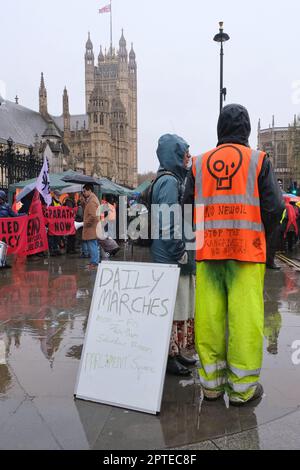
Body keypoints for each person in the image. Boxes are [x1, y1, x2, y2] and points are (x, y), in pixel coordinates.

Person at [185, 104, 285, 405]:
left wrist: (203, 230)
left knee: (209, 319)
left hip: (208, 251)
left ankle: (211, 387)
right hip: (246, 253)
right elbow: (275, 207)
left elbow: (186, 205)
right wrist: (262, 237)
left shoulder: (199, 163)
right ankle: (242, 391)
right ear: (246, 131)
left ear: (220, 130)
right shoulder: (258, 160)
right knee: (244, 320)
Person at [150, 134, 196, 377]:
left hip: (173, 256)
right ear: (175, 153)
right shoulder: (168, 182)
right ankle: (168, 357)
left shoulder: (173, 179)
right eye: (185, 152)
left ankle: (176, 352)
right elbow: (169, 223)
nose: (188, 157)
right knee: (171, 310)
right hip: (170, 258)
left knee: (177, 308)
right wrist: (180, 253)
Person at [82, 184, 101, 270]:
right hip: (93, 227)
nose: (84, 193)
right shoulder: (92, 199)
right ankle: (94, 262)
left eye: (84, 191)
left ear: (89, 190)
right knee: (93, 245)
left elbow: (93, 216)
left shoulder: (92, 200)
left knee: (92, 245)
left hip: (91, 227)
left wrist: (86, 223)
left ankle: (94, 263)